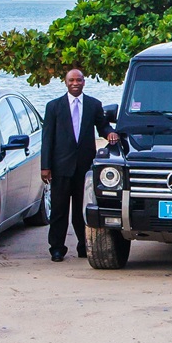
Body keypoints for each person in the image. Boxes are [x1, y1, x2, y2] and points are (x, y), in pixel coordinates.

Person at [41, 69, 118, 262]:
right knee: (58, 210)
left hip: (84, 168)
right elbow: (47, 138)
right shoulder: (54, 106)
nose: (75, 83)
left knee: (81, 210)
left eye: (79, 80)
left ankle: (84, 246)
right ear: (65, 82)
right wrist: (45, 166)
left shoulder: (93, 105)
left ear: (84, 82)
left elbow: (102, 126)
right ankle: (57, 248)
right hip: (60, 167)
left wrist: (110, 133)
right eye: (71, 80)